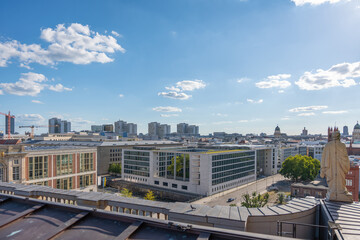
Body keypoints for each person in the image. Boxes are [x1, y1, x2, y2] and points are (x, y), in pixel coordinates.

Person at [320, 131, 352, 202]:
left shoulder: (328, 145)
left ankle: (334, 192)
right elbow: (345, 158)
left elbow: (323, 158)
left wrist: (322, 169)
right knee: (340, 180)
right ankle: (339, 192)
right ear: (339, 137)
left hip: (330, 169)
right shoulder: (342, 145)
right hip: (340, 168)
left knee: (332, 181)